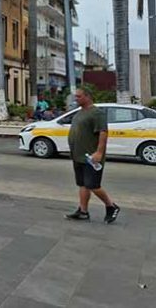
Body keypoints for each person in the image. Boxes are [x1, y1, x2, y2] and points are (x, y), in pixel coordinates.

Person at [65, 87, 120, 224]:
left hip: (92, 157)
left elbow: (103, 132)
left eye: (79, 96)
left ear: (88, 96)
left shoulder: (96, 113)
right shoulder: (80, 113)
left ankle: (111, 206)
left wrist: (99, 152)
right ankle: (83, 211)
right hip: (78, 156)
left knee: (93, 185)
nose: (76, 99)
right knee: (82, 184)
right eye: (76, 96)